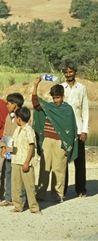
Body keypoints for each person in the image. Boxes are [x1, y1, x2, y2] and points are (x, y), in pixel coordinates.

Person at [32, 76, 78, 202]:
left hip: (59, 142)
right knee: (44, 168)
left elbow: (70, 129)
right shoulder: (49, 107)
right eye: (54, 98)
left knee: (59, 168)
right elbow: (36, 103)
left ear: (63, 96)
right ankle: (41, 194)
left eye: (58, 97)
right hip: (47, 141)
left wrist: (67, 144)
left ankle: (58, 194)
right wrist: (36, 85)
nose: (56, 100)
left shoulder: (67, 109)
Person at [61, 59, 89, 197]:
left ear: (75, 72)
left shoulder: (82, 88)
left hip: (78, 128)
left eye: (70, 71)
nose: (68, 74)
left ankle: (81, 189)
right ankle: (62, 190)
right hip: (64, 130)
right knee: (63, 162)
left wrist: (85, 130)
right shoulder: (61, 88)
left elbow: (85, 110)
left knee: (80, 161)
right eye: (66, 72)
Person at [10, 107, 41, 214]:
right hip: (16, 160)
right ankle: (18, 206)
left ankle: (34, 207)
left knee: (29, 186)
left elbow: (31, 146)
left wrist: (27, 162)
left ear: (19, 118)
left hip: (25, 161)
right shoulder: (17, 129)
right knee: (16, 186)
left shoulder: (29, 130)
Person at [0, 93, 26, 207]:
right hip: (9, 150)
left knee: (20, 175)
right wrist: (3, 147)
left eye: (9, 103)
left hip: (19, 151)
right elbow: (5, 132)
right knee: (8, 173)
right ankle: (8, 197)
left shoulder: (23, 116)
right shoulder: (8, 116)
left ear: (15, 105)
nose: (6, 105)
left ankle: (22, 199)